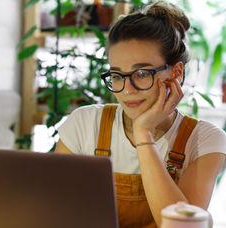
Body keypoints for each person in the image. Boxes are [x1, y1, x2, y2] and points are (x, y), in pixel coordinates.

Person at [54, 1, 226, 227]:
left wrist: (143, 133)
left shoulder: (204, 140)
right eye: (117, 75)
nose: (127, 89)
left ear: (175, 72)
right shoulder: (85, 123)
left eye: (142, 73)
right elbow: (54, 210)